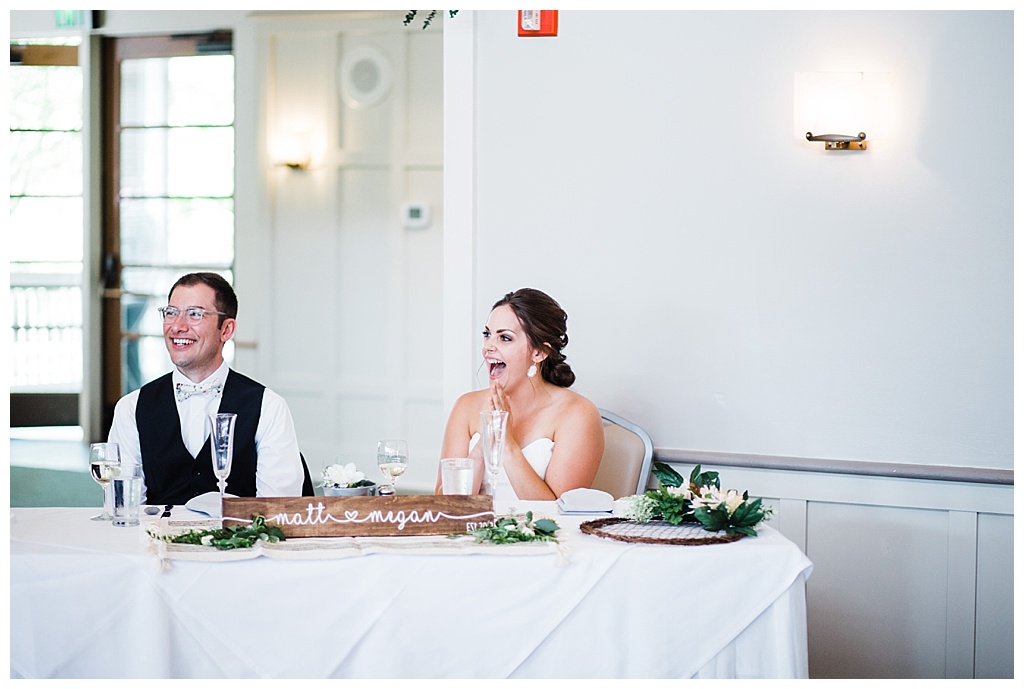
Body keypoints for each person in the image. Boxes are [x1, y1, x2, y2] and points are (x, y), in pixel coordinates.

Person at [108, 272, 305, 504]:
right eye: (171, 313)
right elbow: (123, 508)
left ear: (227, 330)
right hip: (156, 540)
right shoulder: (131, 408)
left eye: (195, 314)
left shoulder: (269, 407)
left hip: (239, 539)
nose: (177, 327)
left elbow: (277, 509)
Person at [436, 288, 604, 500]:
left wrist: (507, 445)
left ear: (539, 352)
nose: (488, 346)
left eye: (505, 338)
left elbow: (560, 515)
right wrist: (482, 447)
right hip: (472, 532)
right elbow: (444, 505)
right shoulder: (466, 406)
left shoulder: (578, 414)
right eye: (488, 335)